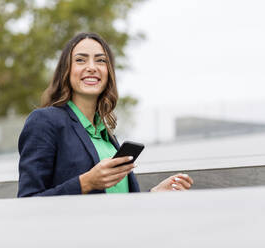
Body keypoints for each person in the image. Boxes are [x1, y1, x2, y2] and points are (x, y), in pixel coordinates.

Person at [17, 32, 193, 197]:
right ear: (66, 70)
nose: (92, 67)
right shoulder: (44, 121)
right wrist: (86, 182)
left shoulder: (107, 136)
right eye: (80, 60)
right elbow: (28, 200)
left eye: (101, 61)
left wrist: (153, 194)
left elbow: (118, 203)